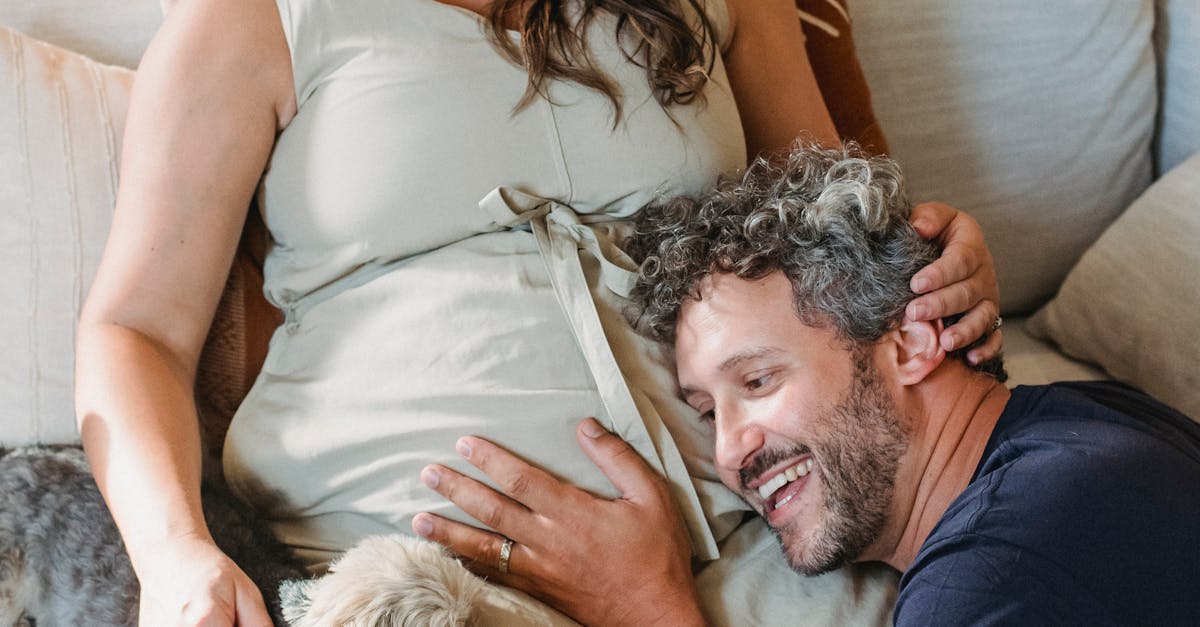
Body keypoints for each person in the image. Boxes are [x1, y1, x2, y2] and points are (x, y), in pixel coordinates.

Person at [74, 0, 1003, 623]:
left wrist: (940, 257)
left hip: (752, 545)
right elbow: (135, 330)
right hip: (413, 574)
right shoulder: (257, 18)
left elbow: (837, 230)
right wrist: (171, 553)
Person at [417, 144, 1200, 625]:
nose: (731, 451)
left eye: (756, 379)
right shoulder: (1084, 425)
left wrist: (649, 612)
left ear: (912, 339)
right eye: (706, 410)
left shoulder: (996, 575)